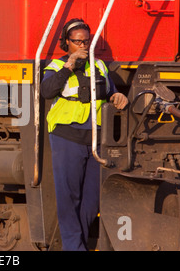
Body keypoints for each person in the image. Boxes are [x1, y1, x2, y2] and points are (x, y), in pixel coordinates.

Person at [41, 18, 128, 251]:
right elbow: (46, 91)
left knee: (91, 201)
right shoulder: (56, 66)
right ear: (66, 42)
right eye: (77, 41)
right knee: (69, 200)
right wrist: (69, 65)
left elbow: (111, 91)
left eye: (86, 41)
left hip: (95, 139)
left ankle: (76, 245)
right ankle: (74, 248)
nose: (82, 45)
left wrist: (118, 97)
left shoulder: (99, 66)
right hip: (66, 136)